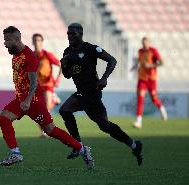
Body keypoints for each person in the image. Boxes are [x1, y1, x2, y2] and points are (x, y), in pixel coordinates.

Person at [0, 26, 93, 169]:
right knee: (3, 119)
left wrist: (28, 100)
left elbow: (34, 82)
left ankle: (82, 149)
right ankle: (15, 153)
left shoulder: (29, 56)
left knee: (50, 130)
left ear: (17, 39)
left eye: (7, 40)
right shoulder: (16, 54)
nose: (5, 43)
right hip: (21, 99)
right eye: (4, 40)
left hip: (33, 101)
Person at [59, 23, 143, 166]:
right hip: (81, 92)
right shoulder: (67, 51)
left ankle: (78, 146)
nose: (70, 36)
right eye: (68, 34)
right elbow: (67, 75)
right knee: (100, 124)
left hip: (92, 92)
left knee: (70, 112)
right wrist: (64, 64)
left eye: (73, 34)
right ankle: (133, 145)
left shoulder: (91, 49)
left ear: (80, 34)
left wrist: (104, 78)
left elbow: (112, 60)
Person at [132, 37, 167, 128]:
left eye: (145, 43)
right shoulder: (140, 51)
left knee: (154, 99)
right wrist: (135, 66)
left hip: (151, 79)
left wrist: (151, 65)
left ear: (149, 43)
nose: (144, 45)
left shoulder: (153, 51)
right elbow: (140, 61)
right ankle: (138, 122)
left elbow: (162, 63)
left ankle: (162, 108)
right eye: (143, 43)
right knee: (140, 99)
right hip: (142, 79)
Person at [32, 33, 62, 138]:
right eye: (35, 40)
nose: (37, 42)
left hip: (48, 85)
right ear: (32, 42)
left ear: (42, 42)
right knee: (38, 112)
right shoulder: (31, 56)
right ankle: (44, 131)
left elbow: (60, 65)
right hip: (37, 87)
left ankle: (45, 132)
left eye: (39, 40)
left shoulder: (47, 55)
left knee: (45, 110)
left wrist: (58, 79)